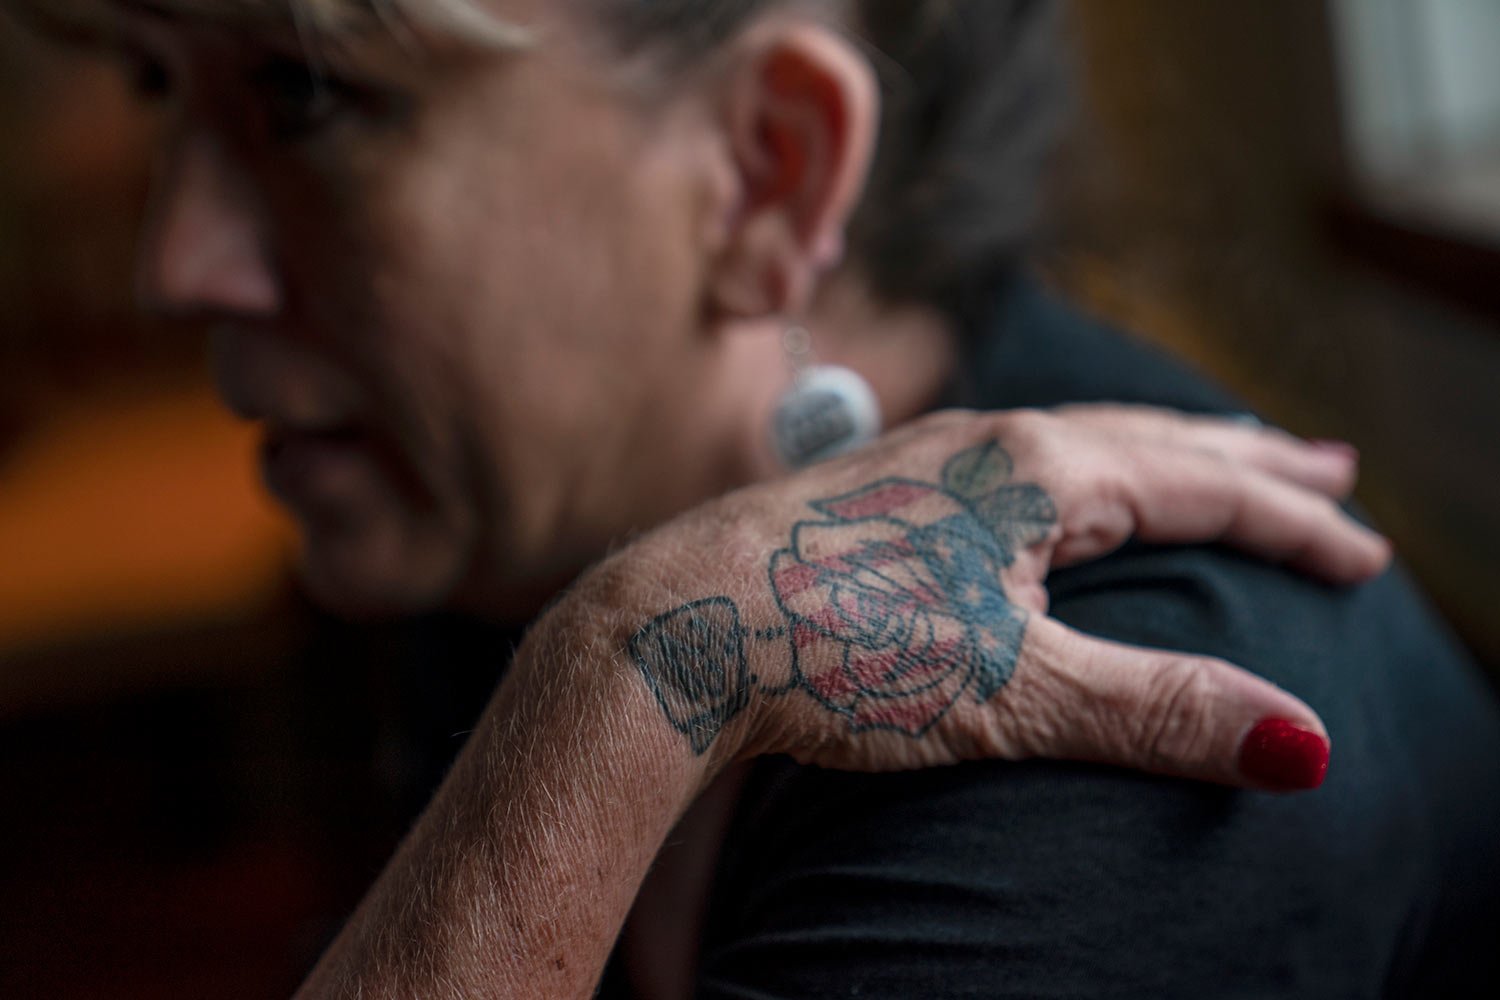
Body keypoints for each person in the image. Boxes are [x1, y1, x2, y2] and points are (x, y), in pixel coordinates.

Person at [11, 0, 1499, 996]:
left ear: (763, 170)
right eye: (158, 84)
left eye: (305, 91)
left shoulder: (1118, 791)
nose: (174, 258)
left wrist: (631, 675)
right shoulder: (498, 542)